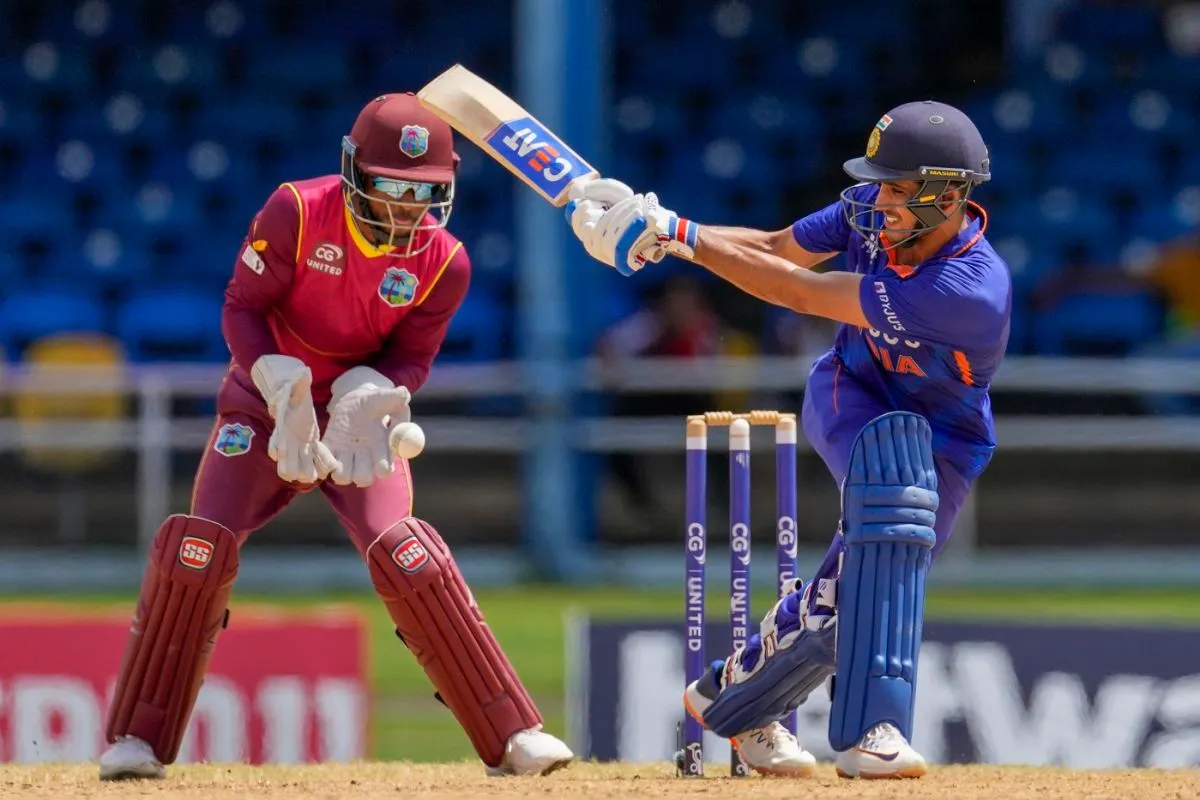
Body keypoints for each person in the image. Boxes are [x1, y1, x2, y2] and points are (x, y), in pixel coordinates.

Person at [98, 93, 573, 780]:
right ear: (355, 172)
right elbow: (243, 307)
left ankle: (512, 734)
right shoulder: (296, 211)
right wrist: (272, 378)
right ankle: (136, 739)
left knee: (409, 555)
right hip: (266, 409)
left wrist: (375, 390)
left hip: (357, 423)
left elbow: (414, 357)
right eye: (391, 188)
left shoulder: (446, 263)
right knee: (197, 549)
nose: (409, 209)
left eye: (426, 193)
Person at [567, 100, 1010, 779]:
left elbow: (802, 293)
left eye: (896, 189)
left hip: (946, 434)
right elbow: (776, 249)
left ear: (946, 193)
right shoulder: (872, 210)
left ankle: (733, 696)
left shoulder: (967, 289)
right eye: (880, 183)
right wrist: (653, 226)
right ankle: (871, 734)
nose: (878, 200)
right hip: (851, 391)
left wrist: (683, 233)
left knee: (856, 595)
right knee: (892, 508)